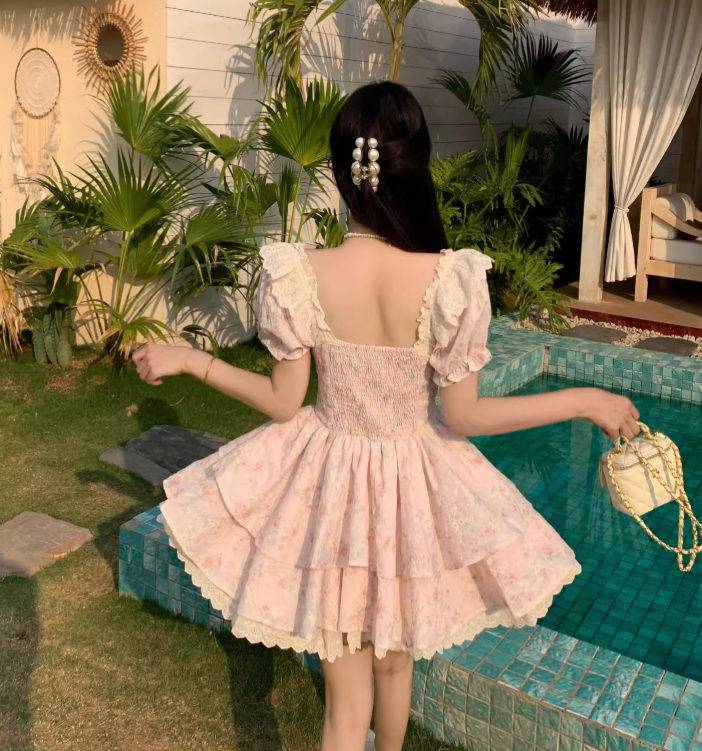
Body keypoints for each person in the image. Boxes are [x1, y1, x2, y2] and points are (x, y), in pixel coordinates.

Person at [133, 81, 640, 751]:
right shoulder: (450, 278)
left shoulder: (297, 272)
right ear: (415, 165)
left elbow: (285, 402)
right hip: (413, 494)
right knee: (395, 664)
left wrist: (191, 358)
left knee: (345, 711)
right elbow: (465, 415)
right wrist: (584, 399)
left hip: (328, 489)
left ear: (341, 170)